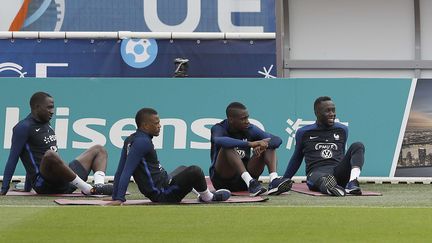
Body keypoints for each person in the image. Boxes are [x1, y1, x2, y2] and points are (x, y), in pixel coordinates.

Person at [110, 108, 231, 204]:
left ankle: (201, 194)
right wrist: (119, 199)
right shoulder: (143, 142)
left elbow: (120, 170)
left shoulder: (131, 139)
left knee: (183, 168)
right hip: (163, 194)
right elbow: (126, 171)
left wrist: (114, 196)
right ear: (145, 126)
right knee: (195, 171)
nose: (159, 126)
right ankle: (208, 197)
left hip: (164, 182)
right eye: (156, 123)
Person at [0, 92, 112, 195]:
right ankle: (88, 189)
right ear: (37, 107)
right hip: (45, 184)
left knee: (99, 149)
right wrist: (4, 188)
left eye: (53, 107)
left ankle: (99, 187)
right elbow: (14, 158)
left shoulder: (46, 123)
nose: (52, 111)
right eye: (49, 107)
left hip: (65, 180)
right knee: (50, 155)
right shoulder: (23, 127)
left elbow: (34, 154)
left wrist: (26, 188)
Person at [283, 96, 365, 196]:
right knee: (323, 179)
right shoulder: (303, 132)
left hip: (338, 172)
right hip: (316, 172)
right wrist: (285, 179)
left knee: (358, 145)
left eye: (333, 110)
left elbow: (341, 154)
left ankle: (352, 182)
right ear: (317, 113)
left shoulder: (342, 130)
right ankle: (329, 187)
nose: (332, 114)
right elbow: (296, 158)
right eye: (327, 111)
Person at [209, 102, 292, 197]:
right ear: (231, 120)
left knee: (267, 143)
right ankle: (250, 182)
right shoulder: (218, 128)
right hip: (224, 181)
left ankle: (273, 180)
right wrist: (250, 144)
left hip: (246, 180)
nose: (247, 121)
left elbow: (277, 140)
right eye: (243, 119)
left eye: (247, 117)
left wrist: (262, 145)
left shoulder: (249, 128)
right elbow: (218, 140)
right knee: (227, 146)